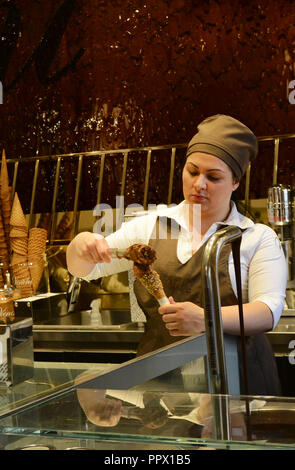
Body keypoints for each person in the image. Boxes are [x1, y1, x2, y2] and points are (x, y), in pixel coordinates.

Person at [67, 114, 287, 395]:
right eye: (193, 172)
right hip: (164, 389)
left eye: (214, 177)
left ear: (235, 182)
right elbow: (84, 269)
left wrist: (207, 319)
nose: (199, 184)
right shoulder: (151, 225)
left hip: (238, 387)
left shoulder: (255, 237)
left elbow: (268, 311)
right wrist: (82, 244)